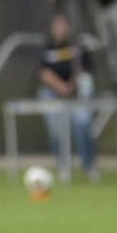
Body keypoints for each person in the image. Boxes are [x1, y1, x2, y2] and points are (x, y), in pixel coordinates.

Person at [36, 11, 97, 178]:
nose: (60, 29)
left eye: (63, 25)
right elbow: (44, 73)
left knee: (82, 125)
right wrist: (61, 87)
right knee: (57, 131)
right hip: (53, 93)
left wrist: (71, 85)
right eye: (57, 25)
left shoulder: (77, 47)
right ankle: (63, 167)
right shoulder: (47, 48)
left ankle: (89, 166)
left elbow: (83, 70)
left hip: (76, 92)